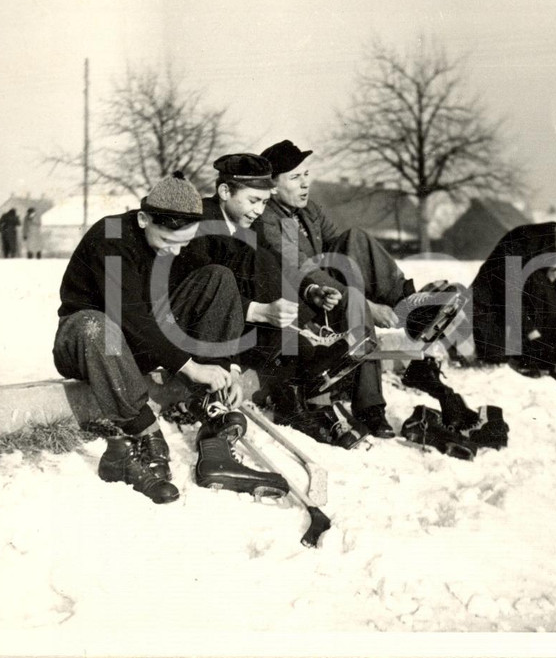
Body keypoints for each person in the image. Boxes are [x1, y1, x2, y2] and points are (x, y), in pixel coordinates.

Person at [53, 172, 287, 504]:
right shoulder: (111, 236)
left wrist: (227, 367)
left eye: (183, 243)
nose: (176, 253)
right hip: (88, 342)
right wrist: (190, 367)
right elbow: (130, 316)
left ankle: (213, 406)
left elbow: (211, 299)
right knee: (96, 325)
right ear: (144, 218)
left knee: (218, 278)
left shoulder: (176, 239)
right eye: (167, 242)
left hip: (140, 343)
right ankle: (145, 434)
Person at [255, 139, 446, 441]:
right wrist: (370, 307)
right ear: (273, 187)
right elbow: (303, 270)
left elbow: (338, 247)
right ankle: (370, 408)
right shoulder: (267, 220)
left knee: (355, 237)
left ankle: (409, 305)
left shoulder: (307, 209)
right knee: (355, 300)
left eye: (307, 175)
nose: (306, 184)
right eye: (295, 178)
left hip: (325, 287)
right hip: (304, 300)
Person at [186, 153, 365, 449]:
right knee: (256, 274)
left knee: (265, 259)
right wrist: (258, 311)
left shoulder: (245, 222)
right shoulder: (200, 223)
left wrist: (308, 291)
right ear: (224, 191)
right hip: (199, 323)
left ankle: (301, 371)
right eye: (253, 200)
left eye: (264, 202)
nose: (259, 210)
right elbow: (201, 293)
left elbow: (275, 265)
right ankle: (303, 364)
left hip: (236, 320)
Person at [468, 205, 556, 389]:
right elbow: (508, 291)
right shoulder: (526, 239)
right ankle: (534, 353)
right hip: (492, 309)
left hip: (527, 308)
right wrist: (533, 334)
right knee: (537, 281)